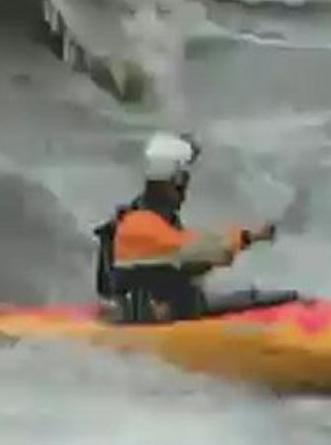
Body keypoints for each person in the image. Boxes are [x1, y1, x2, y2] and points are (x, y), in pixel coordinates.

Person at [93, 131, 276, 323]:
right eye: (181, 185)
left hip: (168, 313)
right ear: (167, 185)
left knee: (258, 296)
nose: (184, 195)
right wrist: (251, 237)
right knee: (253, 299)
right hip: (153, 323)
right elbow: (201, 250)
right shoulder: (141, 226)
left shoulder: (145, 215)